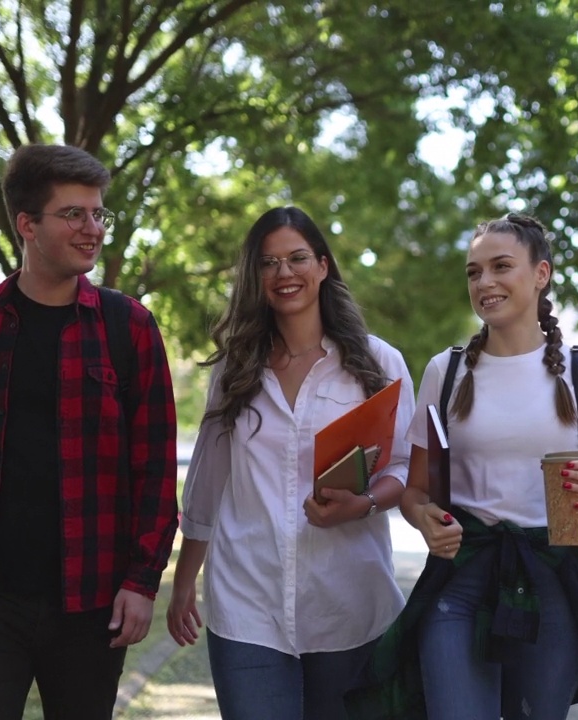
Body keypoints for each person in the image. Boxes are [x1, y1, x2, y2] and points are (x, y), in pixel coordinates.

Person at [0, 143, 180, 720]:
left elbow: (154, 470)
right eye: (74, 214)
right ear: (27, 224)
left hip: (92, 604)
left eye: (98, 213)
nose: (92, 228)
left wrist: (143, 581)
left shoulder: (131, 328)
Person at [346, 213, 578, 720]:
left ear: (541, 274)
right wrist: (426, 522)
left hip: (551, 580)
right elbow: (415, 493)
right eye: (473, 272)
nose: (485, 282)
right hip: (460, 579)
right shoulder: (445, 371)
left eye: (501, 266)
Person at [165, 206, 414, 720]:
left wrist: (361, 505)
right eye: (269, 262)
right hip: (246, 602)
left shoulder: (379, 364)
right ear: (256, 277)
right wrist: (185, 580)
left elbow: (406, 471)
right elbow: (208, 486)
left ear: (323, 265)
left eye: (297, 258)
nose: (284, 273)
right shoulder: (235, 371)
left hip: (350, 602)